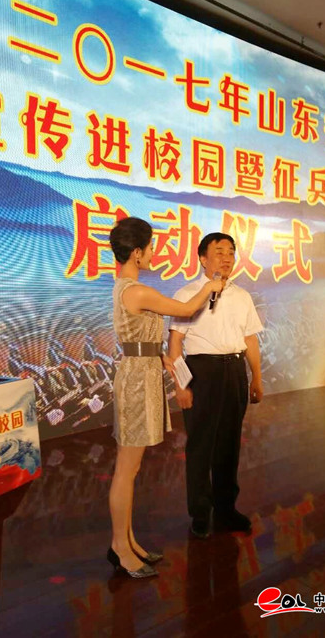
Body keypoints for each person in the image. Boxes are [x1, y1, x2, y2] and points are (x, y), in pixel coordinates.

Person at [107, 217, 223, 578]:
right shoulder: (136, 291)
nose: (154, 253)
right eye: (150, 247)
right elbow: (185, 310)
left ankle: (128, 542)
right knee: (126, 470)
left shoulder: (127, 288)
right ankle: (119, 547)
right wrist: (211, 285)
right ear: (137, 253)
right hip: (136, 382)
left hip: (141, 373)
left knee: (131, 469)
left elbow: (138, 336)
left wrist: (161, 358)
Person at [168, 232, 263, 539]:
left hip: (234, 370)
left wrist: (256, 377)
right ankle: (200, 512)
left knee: (229, 443)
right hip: (202, 372)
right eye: (219, 252)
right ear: (203, 258)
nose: (226, 258)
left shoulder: (242, 296)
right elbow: (175, 343)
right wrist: (181, 385)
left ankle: (226, 508)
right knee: (200, 445)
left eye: (231, 252)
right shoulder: (187, 293)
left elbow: (250, 339)